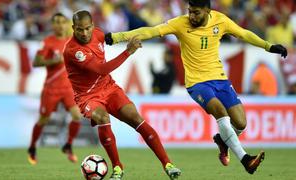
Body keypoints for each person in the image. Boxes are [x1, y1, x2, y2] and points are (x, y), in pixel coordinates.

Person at [104, 0, 288, 174]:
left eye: (196, 12)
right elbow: (151, 31)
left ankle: (222, 141)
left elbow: (243, 33)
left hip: (220, 80)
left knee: (241, 123)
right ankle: (246, 159)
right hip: (197, 83)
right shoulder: (180, 23)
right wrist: (118, 36)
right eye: (189, 11)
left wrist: (268, 46)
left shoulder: (220, 20)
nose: (191, 16)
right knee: (220, 112)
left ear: (207, 11)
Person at [63, 10, 181, 180]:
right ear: (73, 28)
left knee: (135, 118)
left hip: (109, 88)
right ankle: (117, 168)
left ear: (93, 26)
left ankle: (168, 165)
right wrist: (128, 52)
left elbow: (116, 37)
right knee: (103, 118)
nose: (84, 33)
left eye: (87, 28)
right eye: (79, 29)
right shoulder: (73, 50)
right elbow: (101, 69)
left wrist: (135, 36)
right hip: (88, 96)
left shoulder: (97, 34)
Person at [27, 13, 82, 165]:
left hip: (68, 88)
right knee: (43, 119)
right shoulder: (48, 42)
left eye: (62, 22)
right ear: (52, 25)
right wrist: (53, 60)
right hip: (51, 88)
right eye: (56, 22)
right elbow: (36, 63)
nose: (59, 25)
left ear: (67, 24)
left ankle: (68, 145)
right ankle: (32, 147)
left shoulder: (73, 42)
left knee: (77, 115)